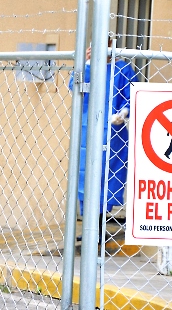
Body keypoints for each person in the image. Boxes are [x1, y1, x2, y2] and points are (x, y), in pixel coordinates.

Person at [69, 37, 138, 239]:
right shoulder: (88, 68)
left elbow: (131, 95)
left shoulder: (123, 69)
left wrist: (124, 113)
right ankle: (88, 227)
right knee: (85, 175)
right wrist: (87, 64)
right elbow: (76, 86)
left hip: (113, 131)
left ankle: (98, 227)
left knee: (105, 175)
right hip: (87, 129)